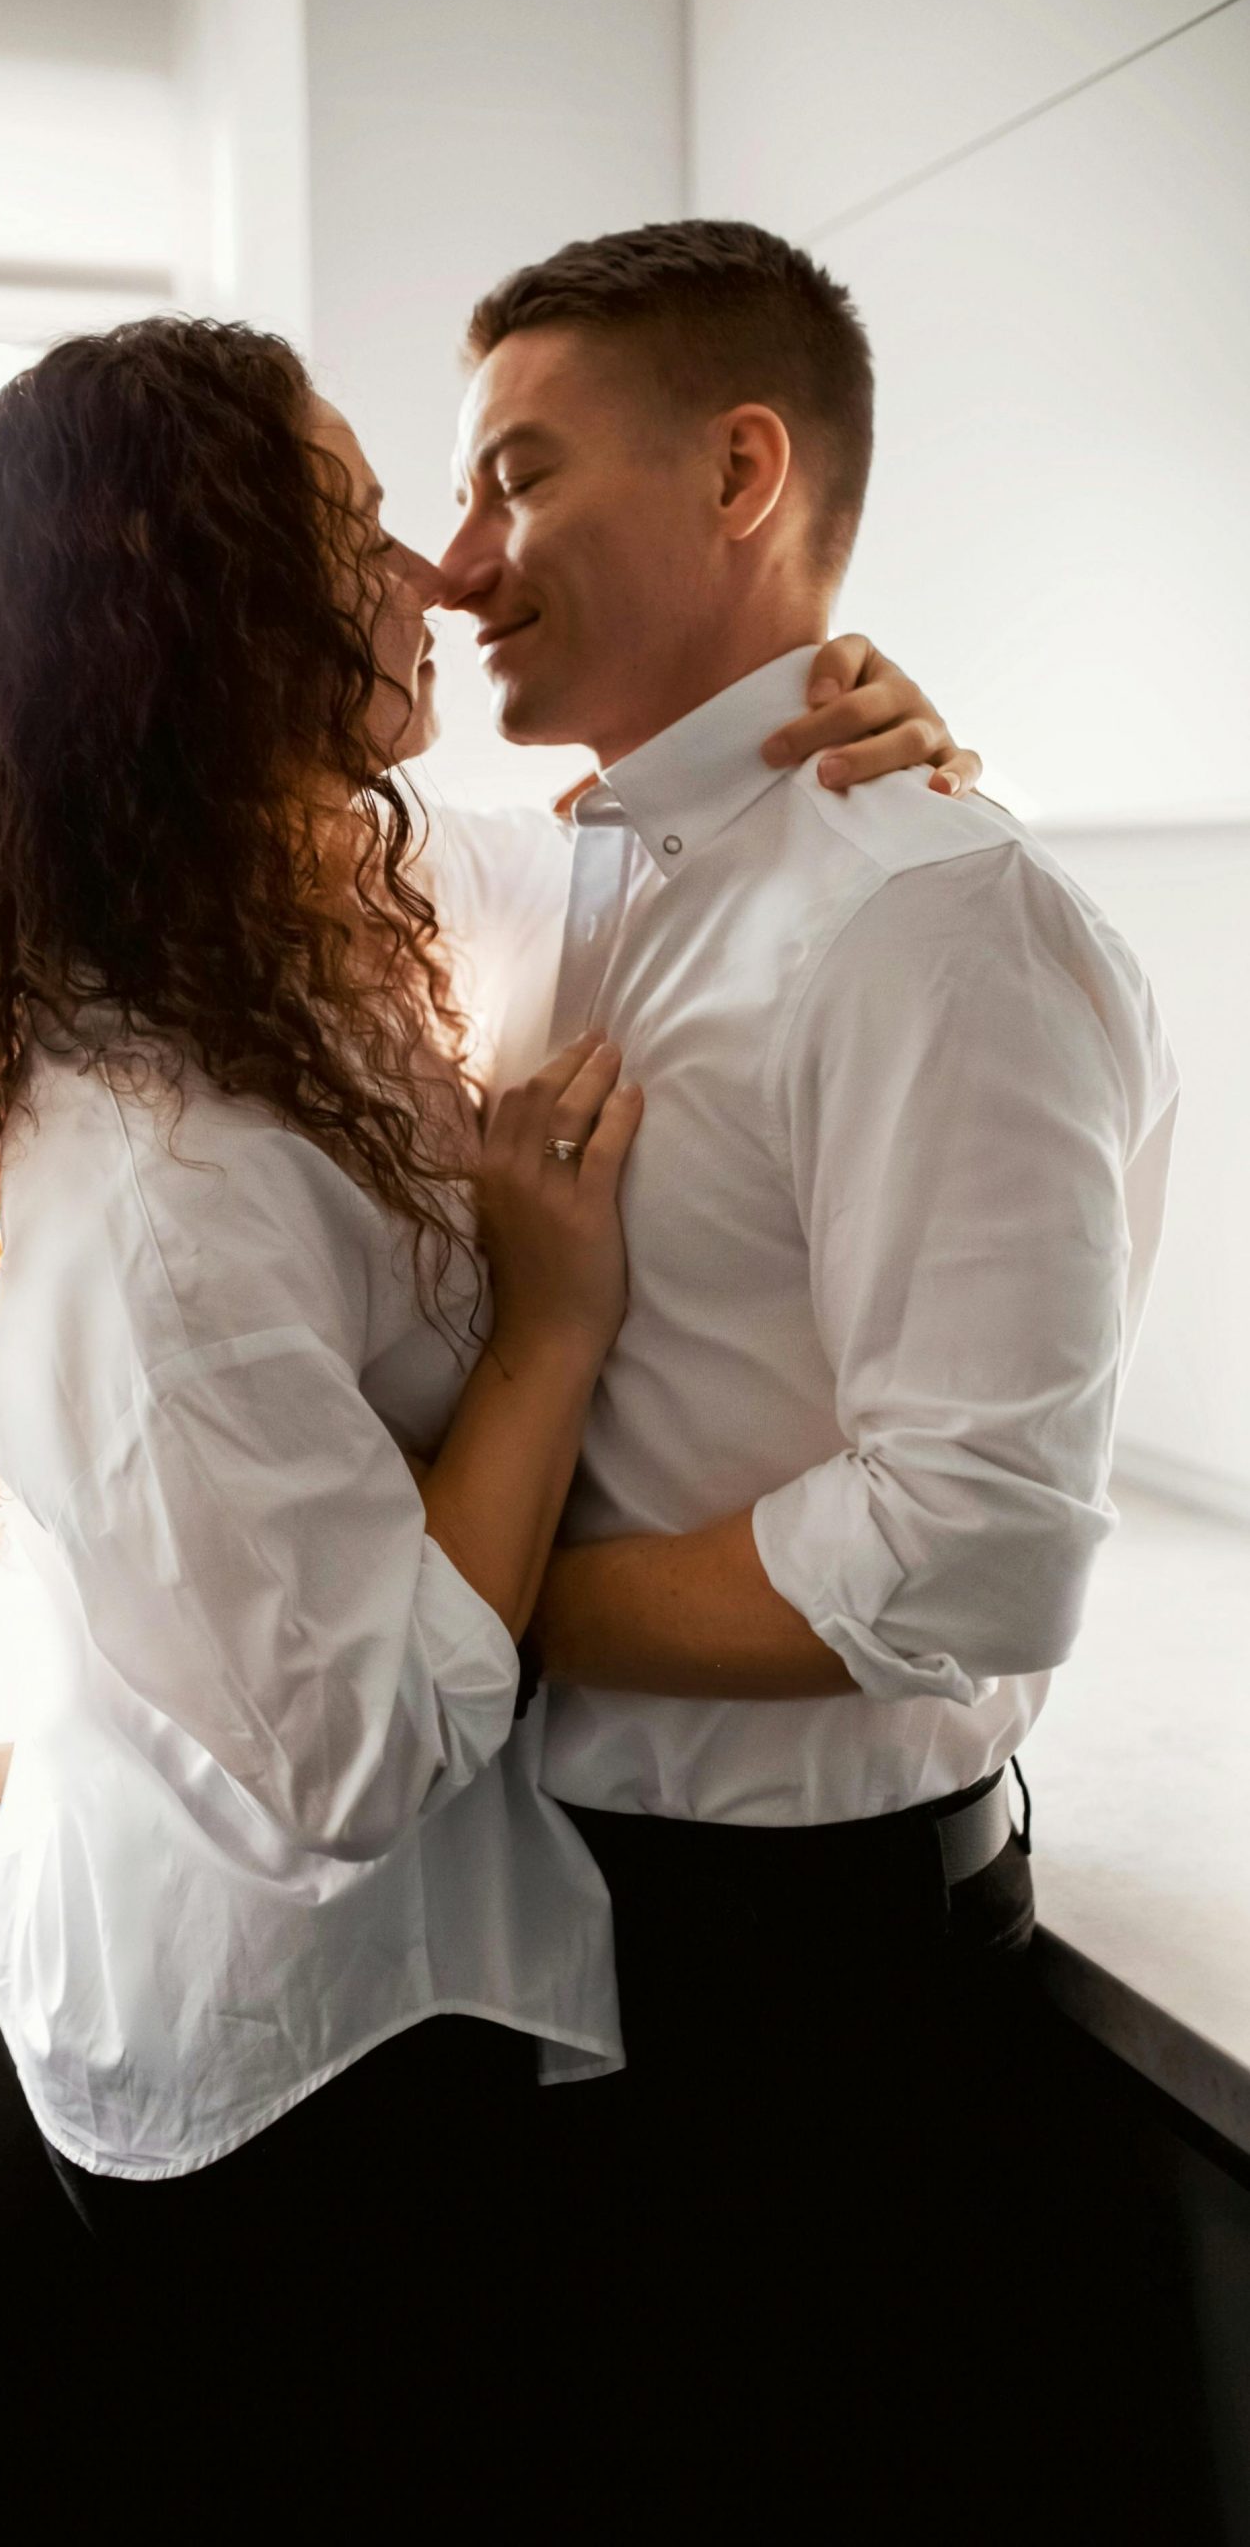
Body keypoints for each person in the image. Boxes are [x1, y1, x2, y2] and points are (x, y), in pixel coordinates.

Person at [0, 312, 981, 2479]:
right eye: (356, 532)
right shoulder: (159, 1191)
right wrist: (548, 1327)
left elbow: (645, 844)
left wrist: (848, 713)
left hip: (385, 2004)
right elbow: (359, 1751)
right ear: (205, 620)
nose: (437, 576)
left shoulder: (292, 885)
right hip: (281, 2077)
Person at [440, 219, 1181, 2529]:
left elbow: (966, 1548)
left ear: (742, 466)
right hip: (568, 1934)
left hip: (811, 2009)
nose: (461, 568)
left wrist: (464, 1597)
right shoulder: (562, 874)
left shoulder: (932, 909)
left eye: (519, 479)